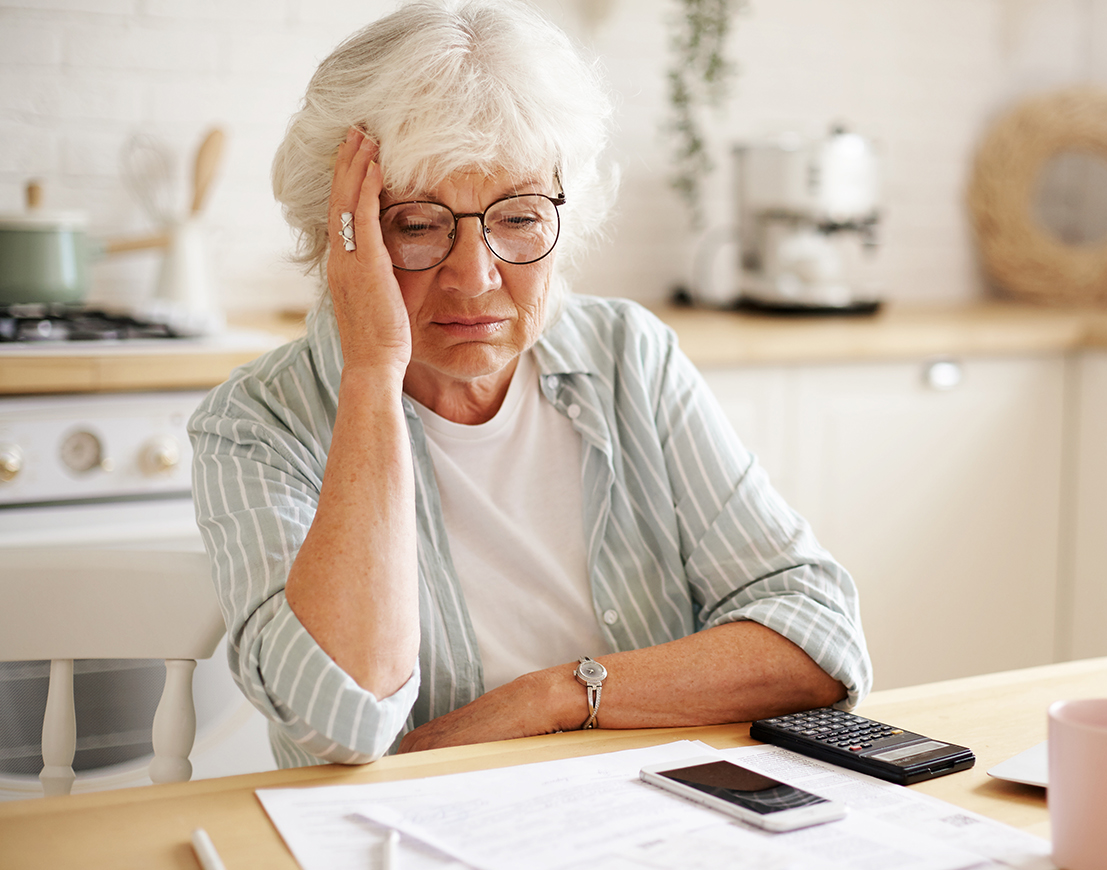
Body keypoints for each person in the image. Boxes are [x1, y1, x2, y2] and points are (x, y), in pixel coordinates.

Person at [189, 0, 871, 769]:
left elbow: (818, 641)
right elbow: (337, 725)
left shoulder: (628, 357)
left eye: (516, 217)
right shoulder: (255, 423)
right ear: (338, 234)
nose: (475, 277)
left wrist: (554, 698)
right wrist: (373, 371)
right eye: (416, 224)